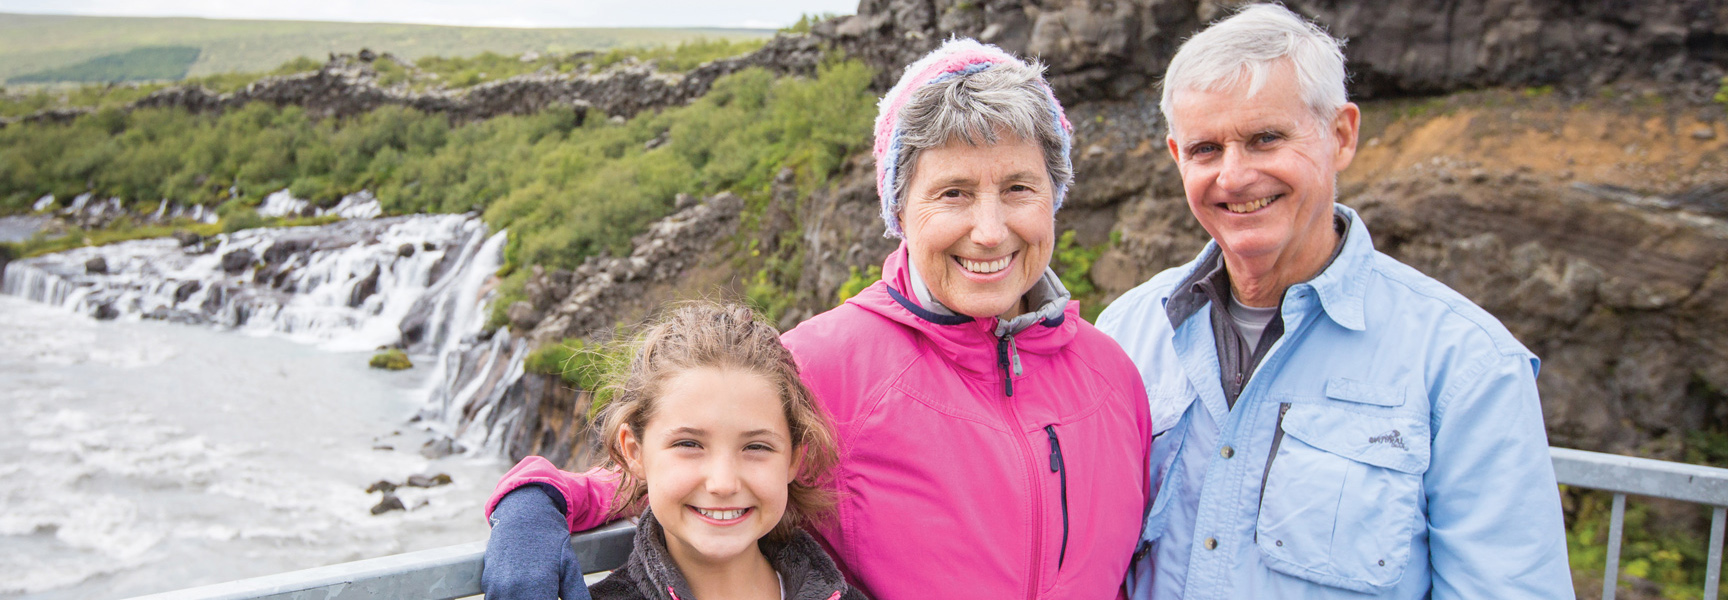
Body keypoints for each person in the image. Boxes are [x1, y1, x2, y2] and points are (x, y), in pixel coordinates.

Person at [482, 39, 1154, 600]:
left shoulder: (1112, 376)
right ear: (900, 209)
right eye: (952, 192)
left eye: (1018, 189)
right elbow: (677, 460)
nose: (988, 229)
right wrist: (534, 506)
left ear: (1054, 197)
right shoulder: (827, 364)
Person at [1096, 5, 1574, 599]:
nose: (1235, 175)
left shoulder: (1466, 366)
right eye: (1206, 149)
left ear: (1341, 135)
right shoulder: (1125, 333)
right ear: (1176, 157)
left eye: (1265, 138)